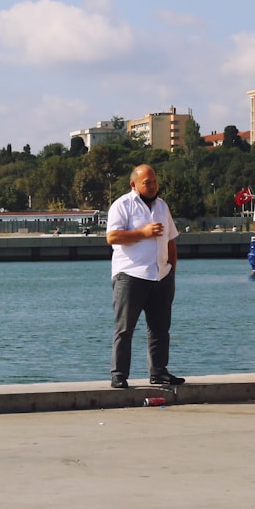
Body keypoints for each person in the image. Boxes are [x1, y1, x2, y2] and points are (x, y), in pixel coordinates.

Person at [106, 164, 185, 389]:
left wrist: (171, 270)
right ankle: (119, 375)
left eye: (154, 182)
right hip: (131, 276)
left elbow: (170, 238)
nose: (152, 186)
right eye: (147, 183)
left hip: (161, 276)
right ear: (134, 185)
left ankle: (159, 372)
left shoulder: (162, 206)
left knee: (160, 329)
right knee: (124, 329)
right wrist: (143, 233)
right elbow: (111, 237)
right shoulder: (122, 205)